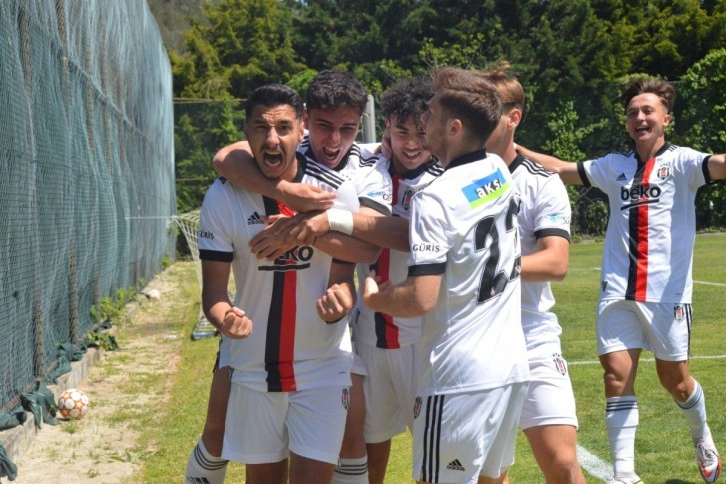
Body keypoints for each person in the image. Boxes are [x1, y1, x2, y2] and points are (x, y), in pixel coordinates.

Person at [517, 77, 726, 484]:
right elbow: (560, 168)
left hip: (666, 295)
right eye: (633, 113)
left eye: (648, 111)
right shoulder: (614, 166)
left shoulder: (683, 163)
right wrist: (509, 147)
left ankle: (701, 433)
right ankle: (624, 474)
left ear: (666, 119)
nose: (640, 118)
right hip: (616, 291)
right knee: (615, 376)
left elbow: (718, 164)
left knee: (676, 382)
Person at [187, 70, 392, 484]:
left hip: (323, 365)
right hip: (252, 364)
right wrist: (225, 317)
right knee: (222, 440)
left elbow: (351, 267)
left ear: (299, 128)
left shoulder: (335, 189)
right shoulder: (223, 195)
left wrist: (340, 296)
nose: (272, 138)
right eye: (261, 128)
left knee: (347, 447)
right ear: (246, 131)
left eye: (283, 127)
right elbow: (214, 294)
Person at [363, 67, 529, 484]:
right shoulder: (497, 169)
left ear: (454, 129)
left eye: (431, 116)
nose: (423, 121)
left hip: (459, 378)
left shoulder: (435, 197)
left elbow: (421, 298)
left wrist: (376, 298)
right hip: (510, 369)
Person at [479, 66, 586, 484]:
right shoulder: (452, 178)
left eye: (487, 111)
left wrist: (489, 267)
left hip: (533, 337)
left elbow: (556, 262)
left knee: (562, 463)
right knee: (490, 474)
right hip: (476, 340)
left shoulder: (542, 182)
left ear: (514, 118)